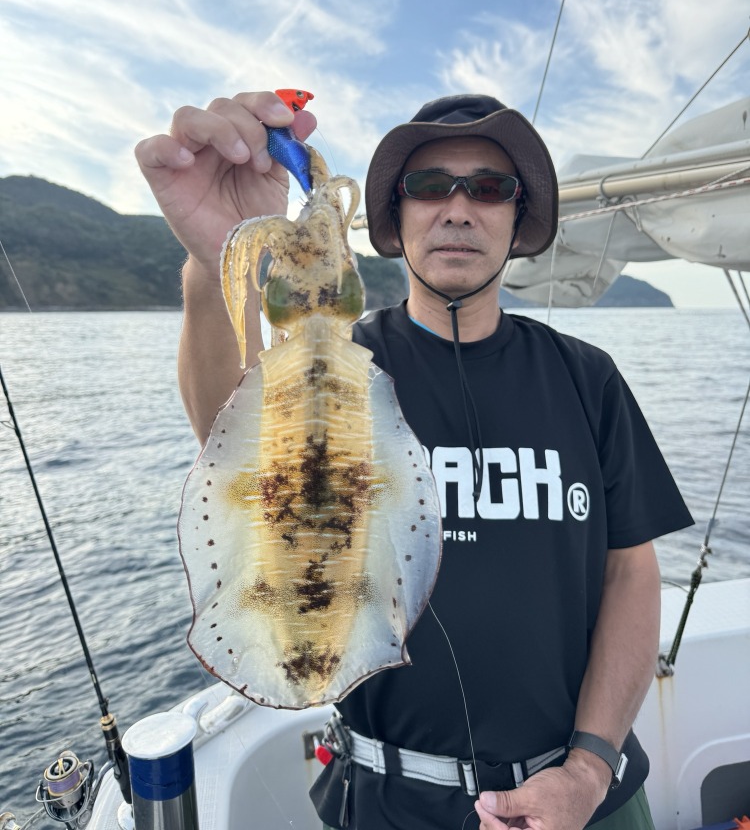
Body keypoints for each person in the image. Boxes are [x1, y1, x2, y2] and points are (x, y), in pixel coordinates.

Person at [136, 90, 694, 830]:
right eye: (430, 186)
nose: (458, 208)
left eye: (489, 187)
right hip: (388, 802)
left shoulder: (587, 378)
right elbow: (228, 442)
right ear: (393, 221)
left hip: (587, 797)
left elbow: (631, 572)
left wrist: (589, 772)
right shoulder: (336, 363)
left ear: (518, 219)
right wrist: (213, 268)